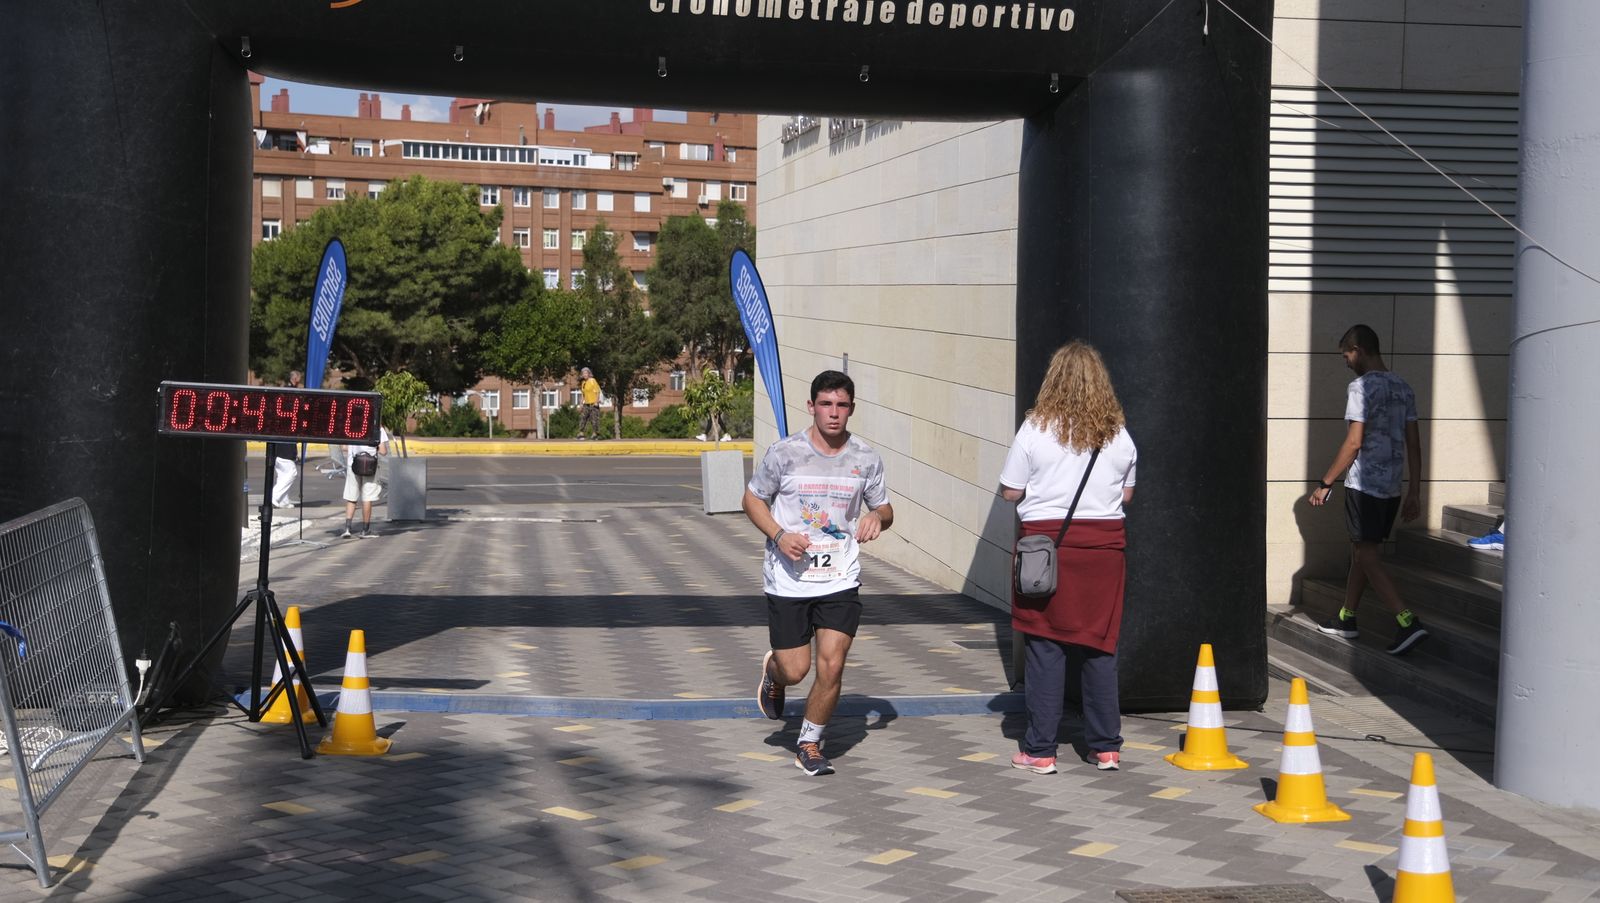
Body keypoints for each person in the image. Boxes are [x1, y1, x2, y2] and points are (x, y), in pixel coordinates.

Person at [742, 370, 893, 776]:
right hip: (789, 577)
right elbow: (752, 499)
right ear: (811, 407)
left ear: (852, 410)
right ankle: (774, 675)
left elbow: (885, 507)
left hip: (840, 576)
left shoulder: (865, 458)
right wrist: (778, 534)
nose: (833, 413)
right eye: (826, 404)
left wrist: (877, 517)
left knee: (832, 665)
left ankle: (809, 743)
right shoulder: (784, 453)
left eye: (842, 405)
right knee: (796, 670)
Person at [999, 341, 1137, 775]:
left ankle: (1040, 750)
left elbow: (1010, 490)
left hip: (1047, 550)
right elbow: (1126, 495)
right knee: (1100, 646)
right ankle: (1106, 747)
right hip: (1104, 552)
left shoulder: (1034, 430)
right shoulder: (1118, 434)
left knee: (1045, 646)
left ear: (1052, 379)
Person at [1310, 324, 1429, 655]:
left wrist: (1325, 482)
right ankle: (1347, 618)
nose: (1346, 361)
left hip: (1364, 487)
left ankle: (1407, 622)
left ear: (1358, 349)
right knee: (1363, 551)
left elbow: (1354, 442)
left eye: (1346, 354)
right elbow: (1415, 446)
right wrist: (1414, 491)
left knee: (1366, 553)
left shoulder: (1360, 387)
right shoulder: (1403, 387)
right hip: (1391, 488)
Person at [341, 426, 390, 538]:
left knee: (351, 497)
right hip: (370, 467)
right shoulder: (377, 428)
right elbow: (383, 451)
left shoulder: (351, 425)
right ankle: (365, 530)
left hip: (352, 464)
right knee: (367, 498)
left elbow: (344, 447)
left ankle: (348, 529)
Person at [269, 370, 304, 509]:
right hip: (285, 446)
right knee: (291, 472)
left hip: (282, 444)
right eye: (299, 378)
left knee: (283, 474)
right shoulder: (291, 395)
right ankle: (274, 497)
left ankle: (283, 500)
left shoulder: (286, 393)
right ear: (295, 378)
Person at [577, 367, 602, 440]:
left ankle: (595, 434)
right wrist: (581, 404)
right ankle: (581, 433)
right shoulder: (583, 383)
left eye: (586, 373)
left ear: (589, 374)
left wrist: (596, 401)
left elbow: (597, 391)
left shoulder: (592, 381)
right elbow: (583, 394)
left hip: (593, 404)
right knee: (583, 418)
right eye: (583, 373)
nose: (584, 375)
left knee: (594, 419)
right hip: (586, 404)